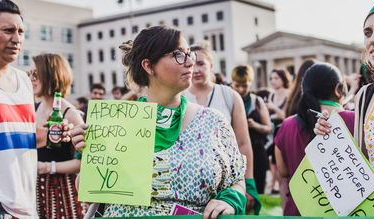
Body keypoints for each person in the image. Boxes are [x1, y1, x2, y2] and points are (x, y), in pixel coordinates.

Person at [71, 26, 246, 218]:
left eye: (190, 54)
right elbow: (87, 192)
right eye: (179, 54)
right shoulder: (116, 123)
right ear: (149, 66)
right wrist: (89, 157)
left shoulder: (213, 122)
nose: (190, 63)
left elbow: (235, 180)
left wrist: (229, 201)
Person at [0, 0, 72, 218]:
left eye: (21, 32)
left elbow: (21, 137)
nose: (17, 38)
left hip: (26, 207)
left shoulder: (24, 81)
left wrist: (53, 134)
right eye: (8, 30)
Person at [183, 42, 258, 214]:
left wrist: (248, 181)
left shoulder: (229, 95)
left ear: (211, 65)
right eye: (192, 64)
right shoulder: (180, 97)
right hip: (192, 184)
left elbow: (243, 143)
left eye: (200, 63)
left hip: (226, 182)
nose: (196, 70)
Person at [275, 63, 354, 215]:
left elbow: (283, 171)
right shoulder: (355, 120)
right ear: (338, 89)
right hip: (346, 212)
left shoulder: (287, 125)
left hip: (299, 211)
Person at [315, 0, 374, 176]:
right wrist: (328, 133)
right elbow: (359, 164)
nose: (372, 39)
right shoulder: (366, 95)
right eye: (368, 33)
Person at [29, 53, 85, 218]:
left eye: (35, 74)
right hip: (36, 189)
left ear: (50, 76)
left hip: (64, 189)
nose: (31, 79)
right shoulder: (33, 108)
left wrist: (47, 167)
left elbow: (83, 161)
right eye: (29, 74)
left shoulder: (70, 113)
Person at [231, 65, 271, 197]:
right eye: (237, 85)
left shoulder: (257, 101)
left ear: (251, 83)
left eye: (245, 86)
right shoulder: (228, 99)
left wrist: (255, 125)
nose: (241, 89)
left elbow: (268, 128)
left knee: (256, 193)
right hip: (234, 153)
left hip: (257, 152)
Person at [267, 68, 290, 195]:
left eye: (276, 78)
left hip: (284, 131)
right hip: (273, 132)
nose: (273, 81)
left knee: (282, 163)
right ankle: (274, 185)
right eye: (271, 78)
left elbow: (286, 115)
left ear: (283, 79)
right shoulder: (271, 95)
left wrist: (274, 108)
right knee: (273, 161)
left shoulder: (288, 93)